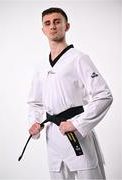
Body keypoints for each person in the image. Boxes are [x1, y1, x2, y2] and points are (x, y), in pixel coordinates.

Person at [28, 7, 113, 180]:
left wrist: (77, 124)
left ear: (66, 26)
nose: (52, 26)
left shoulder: (79, 58)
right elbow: (34, 102)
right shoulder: (41, 66)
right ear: (43, 30)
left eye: (57, 21)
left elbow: (104, 96)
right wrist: (34, 123)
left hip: (76, 134)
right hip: (53, 136)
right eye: (48, 23)